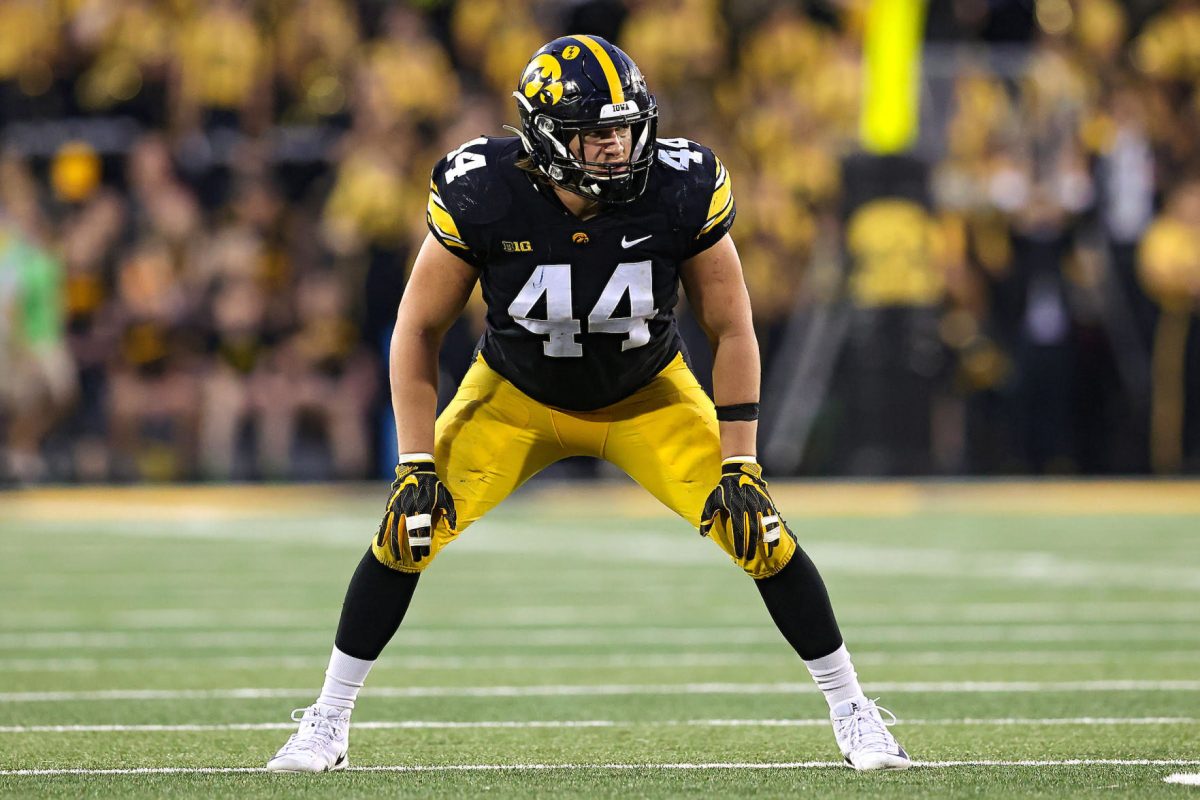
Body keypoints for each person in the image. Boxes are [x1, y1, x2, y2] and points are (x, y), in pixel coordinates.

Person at [266, 35, 911, 773]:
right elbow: (416, 330)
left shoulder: (681, 185)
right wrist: (415, 462)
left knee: (758, 530)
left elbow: (732, 325)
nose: (617, 145)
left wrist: (742, 464)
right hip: (513, 396)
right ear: (546, 136)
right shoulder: (484, 191)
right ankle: (328, 721)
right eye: (596, 132)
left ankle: (854, 710)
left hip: (648, 396)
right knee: (407, 528)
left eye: (626, 127)